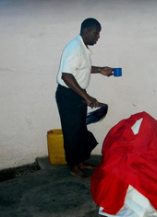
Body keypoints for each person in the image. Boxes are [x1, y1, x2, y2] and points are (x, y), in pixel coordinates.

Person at [56, 18, 113, 179]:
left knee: (80, 130)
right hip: (69, 95)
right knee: (72, 132)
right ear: (86, 30)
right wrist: (86, 96)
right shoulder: (75, 48)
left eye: (99, 33)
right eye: (96, 33)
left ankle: (80, 161)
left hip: (76, 94)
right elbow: (66, 76)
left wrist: (100, 69)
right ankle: (74, 167)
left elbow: (82, 69)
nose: (98, 36)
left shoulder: (82, 48)